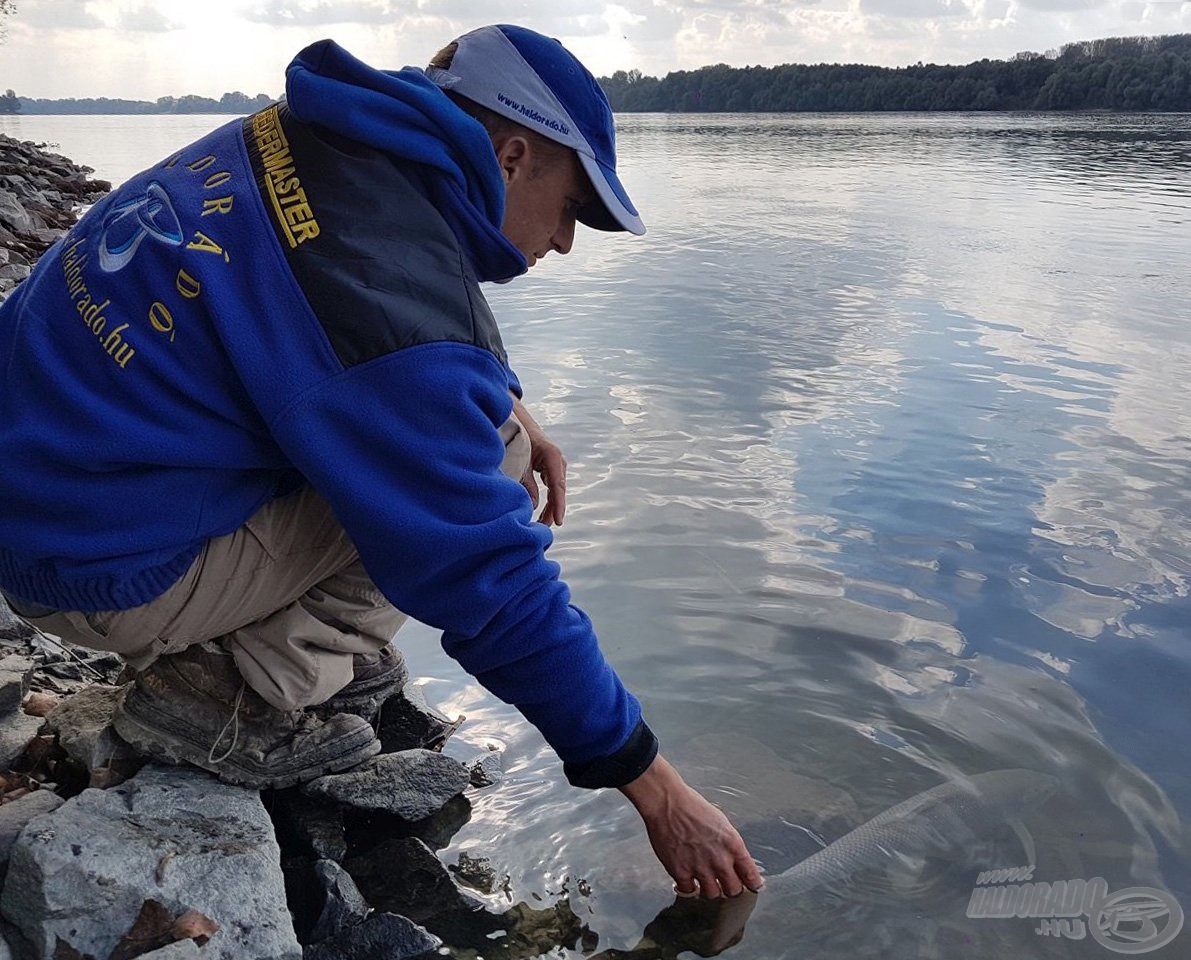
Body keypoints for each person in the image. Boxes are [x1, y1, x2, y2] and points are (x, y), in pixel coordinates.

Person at [0, 24, 762, 899]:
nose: (564, 244)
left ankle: (255, 642)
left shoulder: (309, 139)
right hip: (85, 567)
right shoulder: (384, 290)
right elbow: (489, 581)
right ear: (512, 156)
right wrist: (654, 789)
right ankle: (230, 699)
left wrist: (504, 397)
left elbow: (336, 320)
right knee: (479, 483)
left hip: (37, 474)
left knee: (475, 434)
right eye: (576, 208)